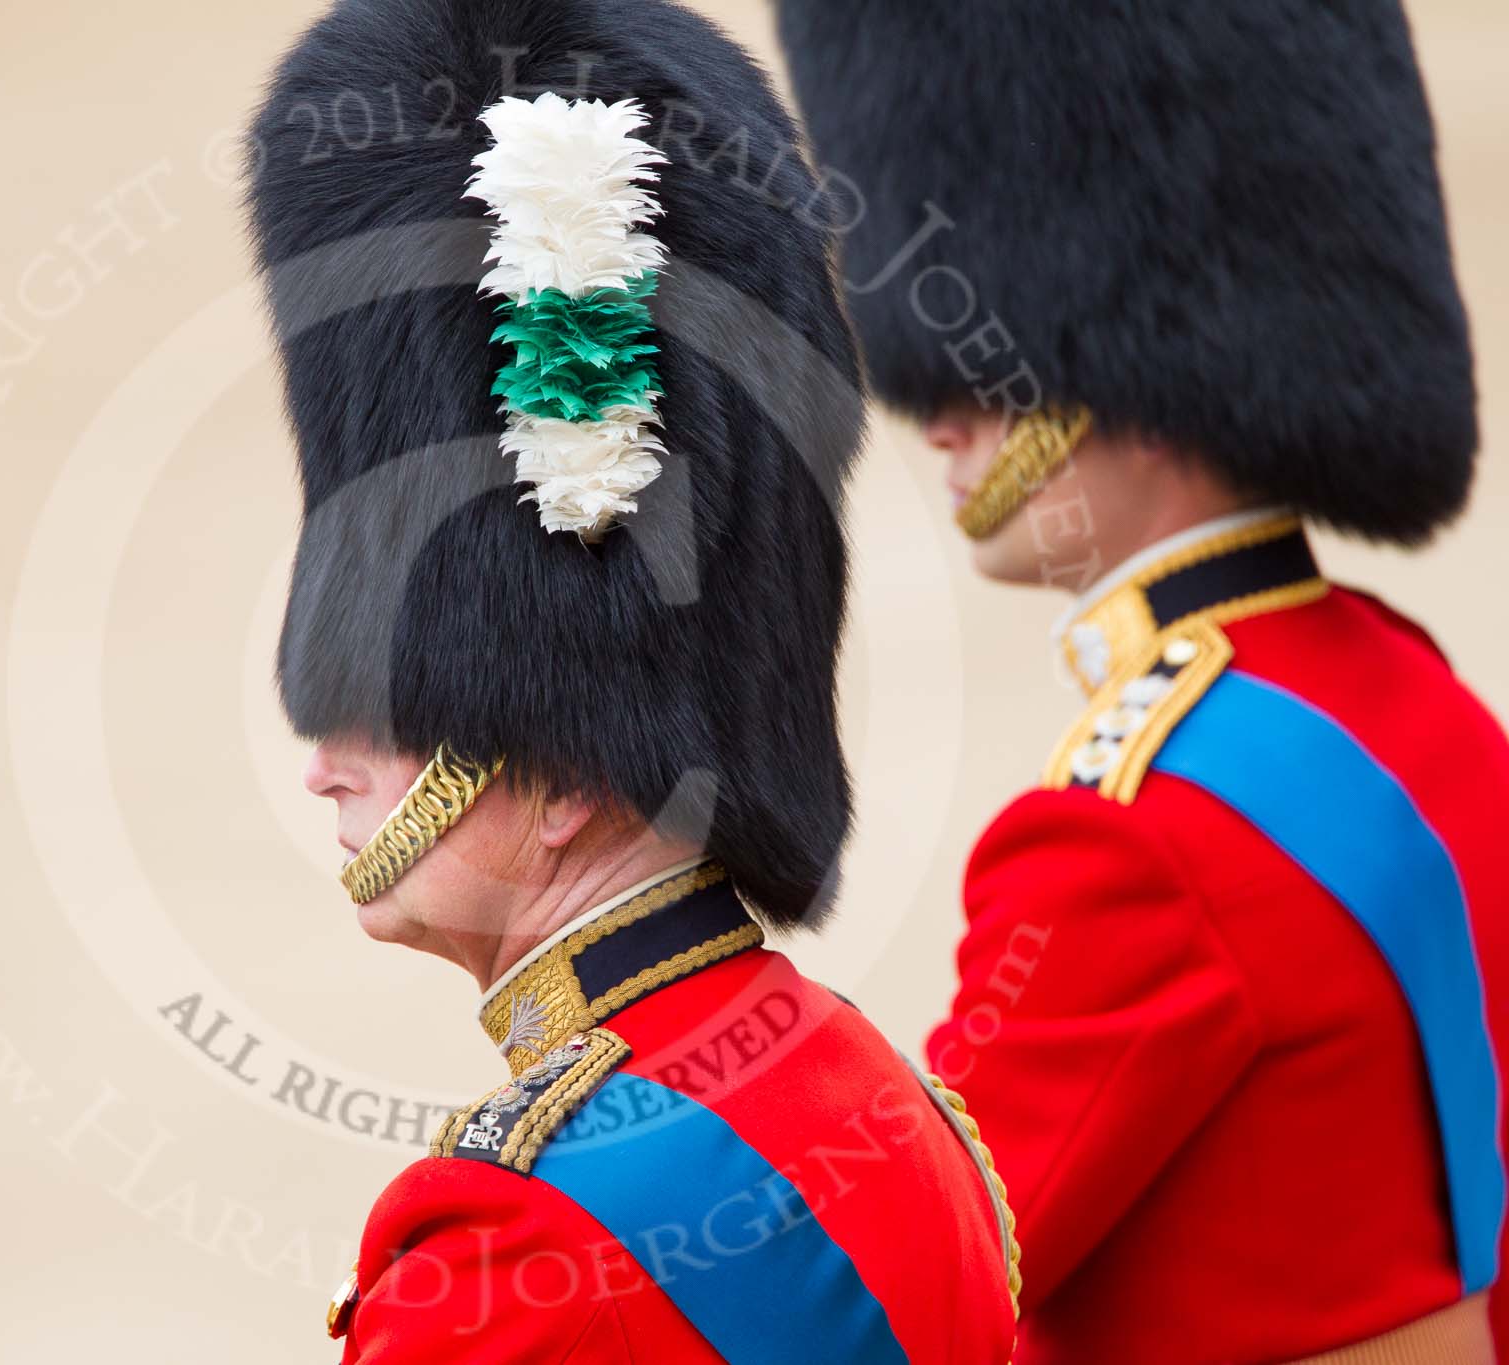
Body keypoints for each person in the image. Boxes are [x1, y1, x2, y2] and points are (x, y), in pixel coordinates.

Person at [246, 0, 1019, 1359]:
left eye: (381, 694)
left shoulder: (515, 1248)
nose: (321, 759)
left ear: (559, 767)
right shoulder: (881, 1100)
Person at [776, 2, 1506, 1361]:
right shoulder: (1416, 696)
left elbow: (894, 1297)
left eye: (984, 358)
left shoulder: (1131, 831)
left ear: (1118, 351)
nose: (933, 409)